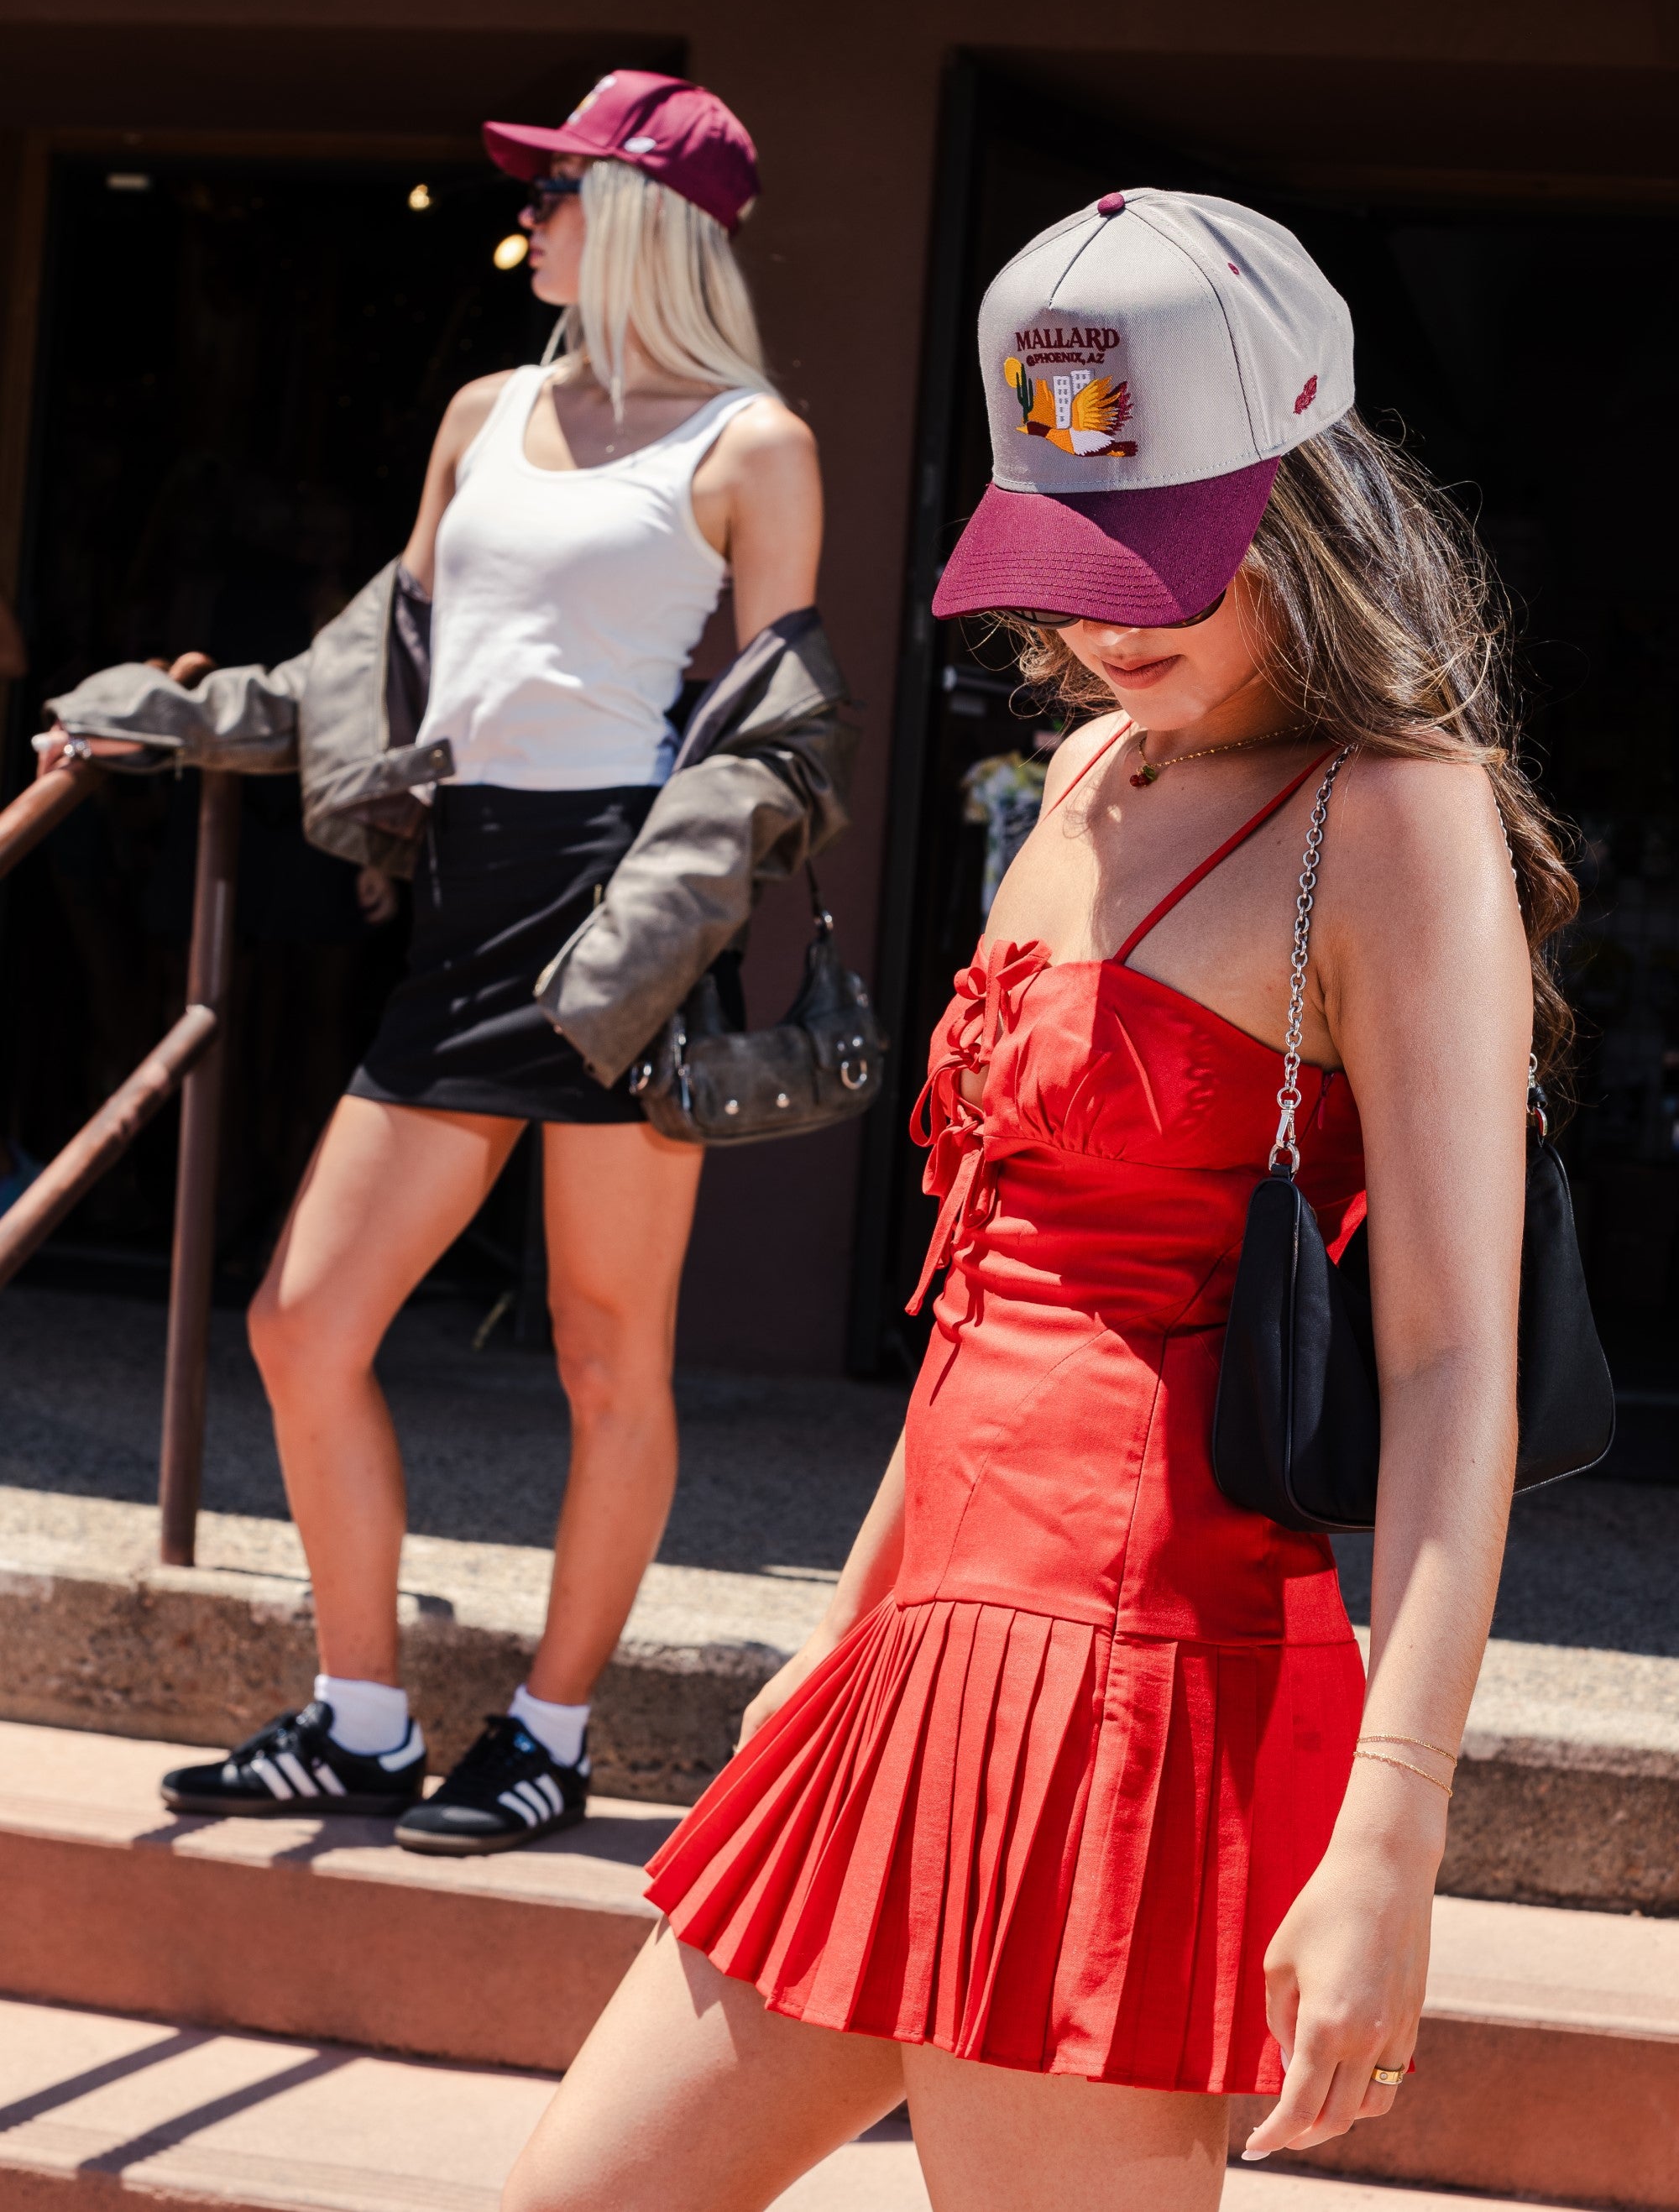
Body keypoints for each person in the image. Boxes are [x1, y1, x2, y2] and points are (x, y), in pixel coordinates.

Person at [500, 189, 1576, 2212]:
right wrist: (841, 1634)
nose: (1105, 624)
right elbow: (992, 1285)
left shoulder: (1397, 817)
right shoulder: (1088, 774)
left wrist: (1395, 1821)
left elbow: (1451, 1359)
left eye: (1162, 555)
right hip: (921, 1648)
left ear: (1304, 496)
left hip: (1134, 1685)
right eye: (1069, 565)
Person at [39, 71, 835, 1854]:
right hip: (473, 898)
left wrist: (667, 915)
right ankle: (364, 1719)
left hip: (629, 913)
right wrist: (171, 720)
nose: (529, 218)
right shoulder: (487, 409)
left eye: (558, 192)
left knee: (606, 1356)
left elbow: (781, 728)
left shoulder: (752, 443)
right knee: (303, 1320)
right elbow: (375, 665)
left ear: (642, 220)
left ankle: (547, 1735)